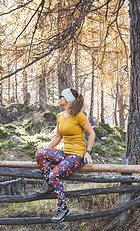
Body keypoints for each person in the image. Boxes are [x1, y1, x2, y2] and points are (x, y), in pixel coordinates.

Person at [35, 88, 95, 223]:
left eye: (61, 96)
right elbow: (58, 137)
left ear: (68, 100)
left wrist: (88, 152)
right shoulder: (60, 116)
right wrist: (47, 151)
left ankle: (63, 208)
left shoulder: (79, 116)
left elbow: (92, 133)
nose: (59, 98)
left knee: (54, 175)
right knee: (39, 153)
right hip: (65, 153)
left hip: (77, 156)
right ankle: (50, 183)